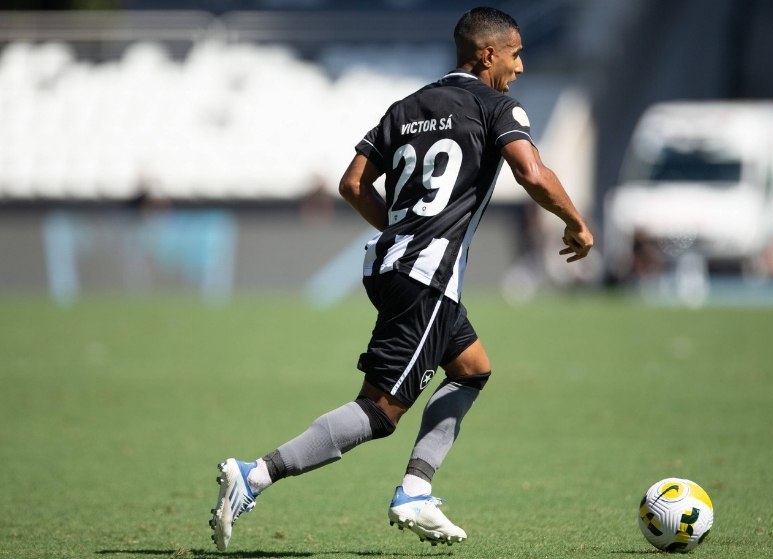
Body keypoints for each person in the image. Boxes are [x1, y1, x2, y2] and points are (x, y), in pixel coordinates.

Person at [209, 6, 593, 551]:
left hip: (390, 265)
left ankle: (416, 485)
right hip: (427, 277)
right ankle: (255, 475)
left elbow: (352, 183)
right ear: (488, 55)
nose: (521, 66)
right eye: (516, 53)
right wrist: (577, 224)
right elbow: (530, 172)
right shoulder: (498, 106)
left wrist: (400, 228)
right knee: (379, 410)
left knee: (471, 369)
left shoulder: (407, 106)